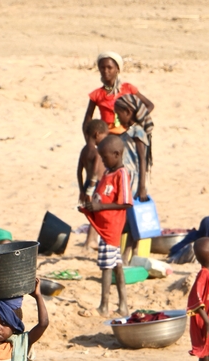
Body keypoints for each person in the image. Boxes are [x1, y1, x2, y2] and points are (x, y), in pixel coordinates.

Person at [79, 135, 133, 315]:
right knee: (116, 265)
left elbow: (126, 202)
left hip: (112, 228)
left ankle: (104, 305)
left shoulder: (121, 174)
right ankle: (123, 305)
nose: (102, 161)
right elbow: (101, 197)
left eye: (105, 157)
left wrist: (100, 207)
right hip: (105, 228)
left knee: (106, 267)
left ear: (116, 154)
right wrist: (90, 208)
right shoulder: (108, 174)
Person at [82, 52, 154, 136]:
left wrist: (135, 119)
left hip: (129, 134)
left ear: (117, 69)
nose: (105, 71)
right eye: (102, 68)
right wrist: (89, 141)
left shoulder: (128, 88)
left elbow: (149, 105)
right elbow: (87, 120)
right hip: (107, 136)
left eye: (109, 67)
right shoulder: (97, 94)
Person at [113, 94, 153, 201]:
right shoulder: (129, 131)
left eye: (118, 114)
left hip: (135, 180)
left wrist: (142, 187)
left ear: (128, 112)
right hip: (127, 177)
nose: (117, 118)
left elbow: (142, 159)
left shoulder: (137, 131)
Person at [78, 119, 110, 206]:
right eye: (105, 137)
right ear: (97, 134)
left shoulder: (83, 151)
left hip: (87, 184)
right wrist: (90, 191)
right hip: (96, 185)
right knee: (97, 210)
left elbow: (79, 172)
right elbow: (94, 173)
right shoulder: (97, 153)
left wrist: (81, 190)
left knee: (89, 209)